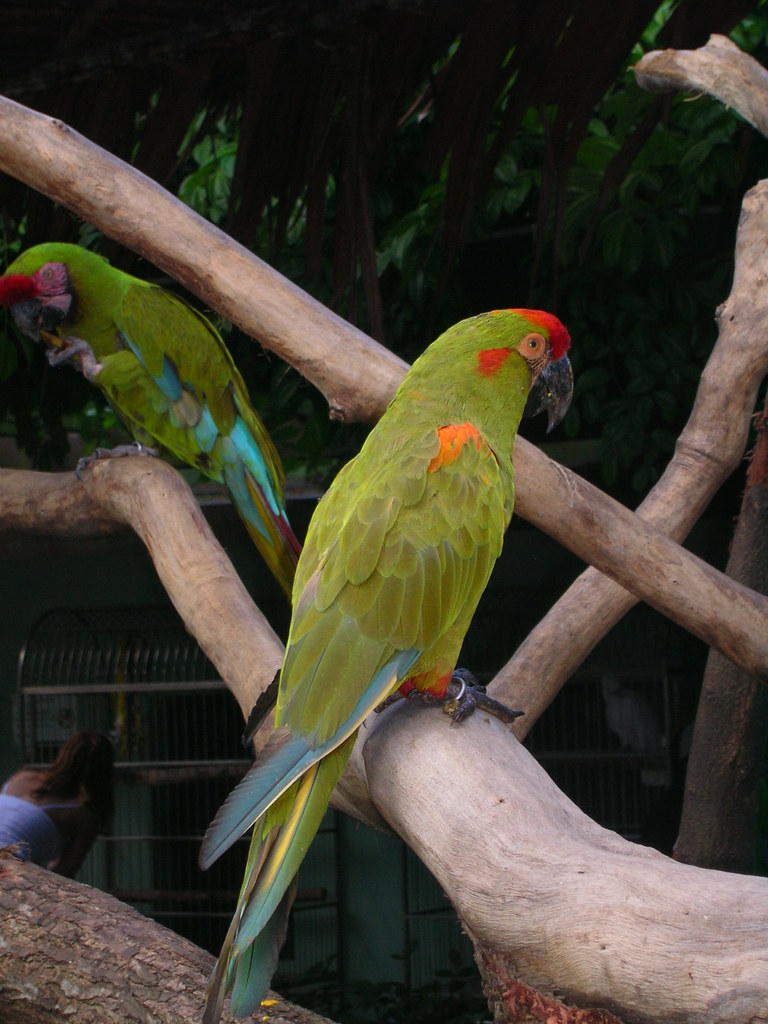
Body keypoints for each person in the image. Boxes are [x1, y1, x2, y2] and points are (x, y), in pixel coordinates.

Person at [0, 730, 114, 877]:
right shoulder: (83, 815)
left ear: (64, 754)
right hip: (8, 867)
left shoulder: (22, 776)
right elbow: (63, 873)